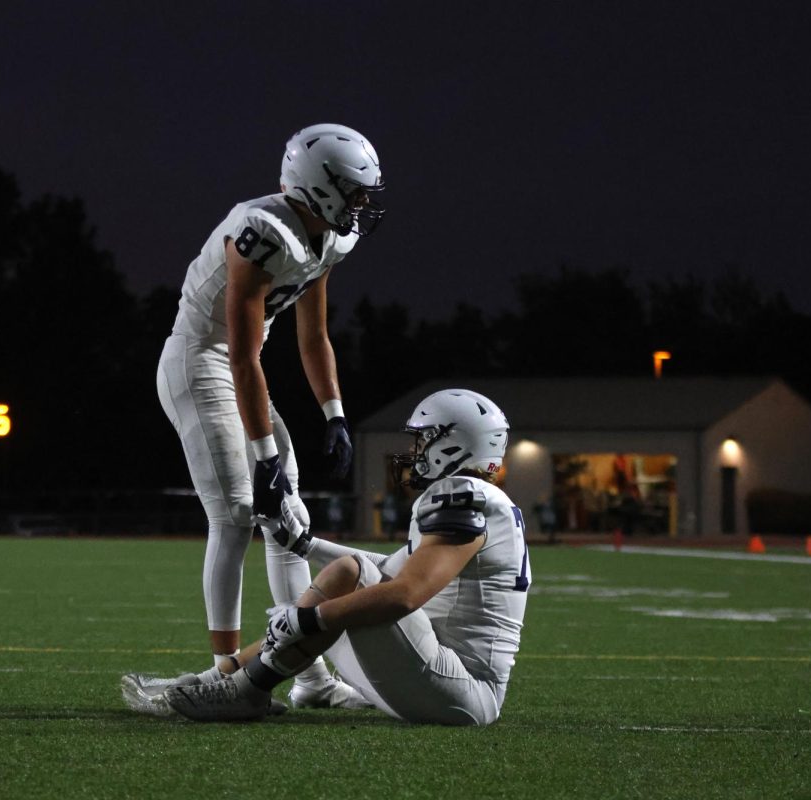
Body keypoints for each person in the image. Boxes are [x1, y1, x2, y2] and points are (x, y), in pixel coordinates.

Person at [147, 123, 385, 709]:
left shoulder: (329, 236)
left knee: (287, 521)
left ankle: (309, 678)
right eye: (353, 191)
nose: (360, 205)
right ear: (320, 185)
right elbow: (242, 354)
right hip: (198, 361)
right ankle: (227, 673)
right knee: (234, 514)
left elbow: (314, 335)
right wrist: (265, 457)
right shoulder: (261, 232)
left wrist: (334, 413)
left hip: (234, 364)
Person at [125, 389, 530, 724]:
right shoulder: (481, 500)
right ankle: (223, 677)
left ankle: (246, 690)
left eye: (425, 439)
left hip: (462, 688)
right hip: (445, 680)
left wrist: (308, 618)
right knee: (350, 582)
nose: (416, 449)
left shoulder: (460, 495)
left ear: (454, 443)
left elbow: (405, 594)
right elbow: (385, 571)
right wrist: (305, 545)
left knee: (347, 584)